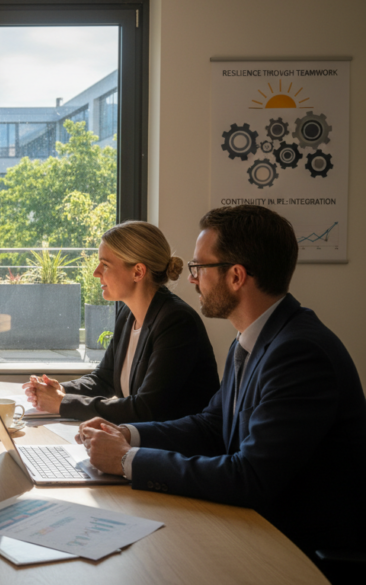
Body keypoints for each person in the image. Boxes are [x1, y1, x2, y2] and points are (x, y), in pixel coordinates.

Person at [77, 205, 366, 572]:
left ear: (236, 276)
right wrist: (128, 434)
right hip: (254, 526)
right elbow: (212, 426)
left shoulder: (299, 353)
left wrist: (124, 460)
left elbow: (251, 477)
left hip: (299, 550)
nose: (192, 278)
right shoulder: (251, 340)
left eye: (199, 267)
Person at [23, 221, 219, 423]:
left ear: (138, 272)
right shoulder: (128, 313)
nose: (96, 272)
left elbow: (146, 409)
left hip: (172, 450)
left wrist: (62, 403)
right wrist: (59, 390)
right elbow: (104, 378)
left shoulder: (177, 322)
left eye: (105, 265)